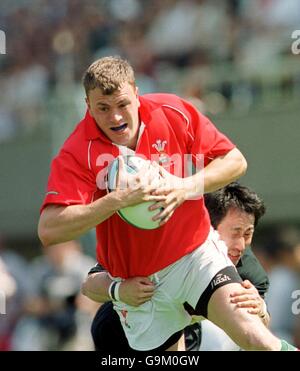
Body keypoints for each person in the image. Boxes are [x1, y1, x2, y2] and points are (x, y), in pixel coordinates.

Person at [38, 56, 295, 351]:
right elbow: (49, 230)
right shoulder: (77, 151)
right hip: (140, 287)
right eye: (103, 109)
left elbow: (235, 161)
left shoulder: (173, 111)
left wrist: (184, 186)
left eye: (122, 104)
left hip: (195, 256)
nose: (115, 118)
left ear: (136, 92)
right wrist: (116, 200)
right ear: (88, 104)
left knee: (256, 339)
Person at [83, 182, 270, 351]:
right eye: (235, 232)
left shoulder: (248, 270)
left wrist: (259, 308)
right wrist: (119, 290)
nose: (241, 245)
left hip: (183, 331)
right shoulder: (160, 243)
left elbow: (260, 327)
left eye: (247, 234)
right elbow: (88, 286)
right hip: (120, 331)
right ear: (208, 227)